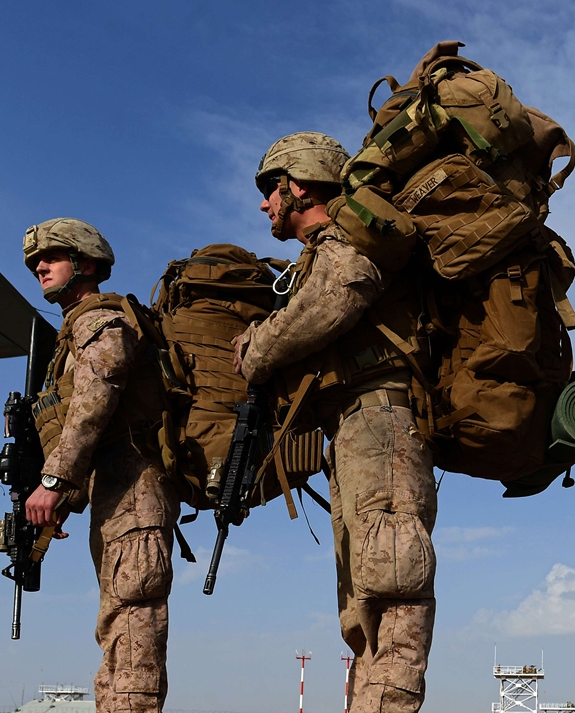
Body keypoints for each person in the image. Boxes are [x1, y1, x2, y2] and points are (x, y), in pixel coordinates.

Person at [233, 132, 435, 713]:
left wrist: (258, 347)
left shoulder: (348, 240)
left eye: (271, 189)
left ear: (299, 185)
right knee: (362, 598)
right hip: (353, 430)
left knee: (393, 579)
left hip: (382, 422)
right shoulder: (315, 255)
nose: (265, 204)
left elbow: (335, 298)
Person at [22, 218, 178, 713]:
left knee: (133, 626)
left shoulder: (99, 320)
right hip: (116, 493)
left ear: (86, 265)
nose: (39, 267)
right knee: (117, 625)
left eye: (51, 257)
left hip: (136, 491)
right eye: (34, 263)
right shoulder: (75, 328)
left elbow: (95, 400)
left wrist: (53, 481)